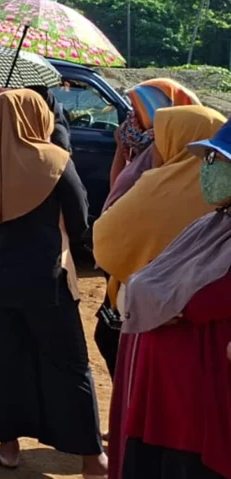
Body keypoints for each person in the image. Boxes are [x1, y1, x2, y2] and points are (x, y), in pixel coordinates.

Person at [0, 89, 106, 476]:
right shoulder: (56, 160)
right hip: (45, 280)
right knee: (69, 364)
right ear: (39, 117)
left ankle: (8, 447)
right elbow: (79, 220)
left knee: (4, 360)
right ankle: (91, 457)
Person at [106, 118, 231, 479]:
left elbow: (198, 301)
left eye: (218, 161)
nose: (208, 169)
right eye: (208, 159)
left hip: (199, 405)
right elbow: (152, 281)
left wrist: (165, 300)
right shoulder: (212, 224)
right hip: (164, 400)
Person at [108, 78, 199, 196]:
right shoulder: (142, 142)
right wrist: (120, 147)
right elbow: (117, 188)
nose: (131, 115)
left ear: (155, 110)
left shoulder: (166, 147)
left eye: (137, 109)